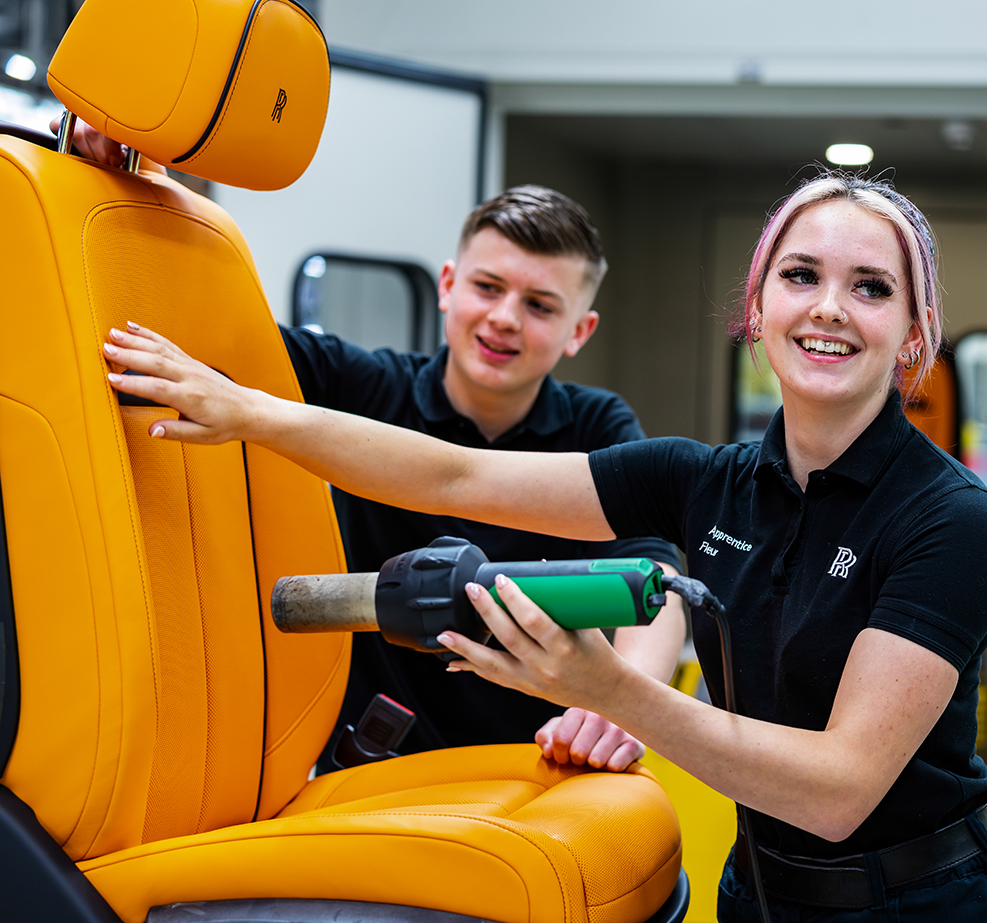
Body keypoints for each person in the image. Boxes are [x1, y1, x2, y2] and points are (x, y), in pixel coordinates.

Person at [99, 171, 987, 923]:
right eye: (800, 275)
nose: (827, 307)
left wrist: (609, 692)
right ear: (756, 308)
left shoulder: (951, 520)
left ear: (915, 333)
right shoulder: (707, 482)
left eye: (871, 288)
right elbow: (455, 475)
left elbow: (839, 790)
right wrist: (248, 414)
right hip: (767, 916)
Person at [57, 109, 687, 771]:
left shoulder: (597, 428)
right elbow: (199, 329)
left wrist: (620, 704)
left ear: (579, 331)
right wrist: (126, 183)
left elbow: (659, 584)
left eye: (539, 305)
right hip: (368, 765)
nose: (504, 318)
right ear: (448, 287)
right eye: (487, 287)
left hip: (534, 767)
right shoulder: (362, 384)